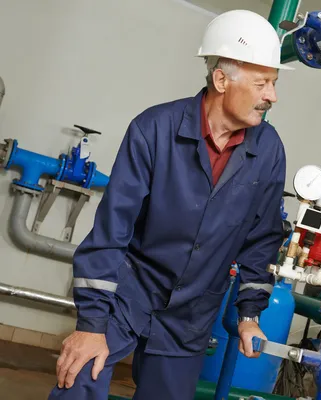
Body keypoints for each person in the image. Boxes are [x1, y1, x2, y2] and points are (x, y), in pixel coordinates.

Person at [48, 9, 294, 400]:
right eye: (263, 83)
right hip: (130, 292)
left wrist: (248, 314)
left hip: (193, 311)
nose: (272, 96)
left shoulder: (268, 150)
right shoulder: (154, 129)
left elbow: (262, 237)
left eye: (274, 84)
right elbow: (112, 230)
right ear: (221, 80)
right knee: (78, 379)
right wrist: (91, 325)